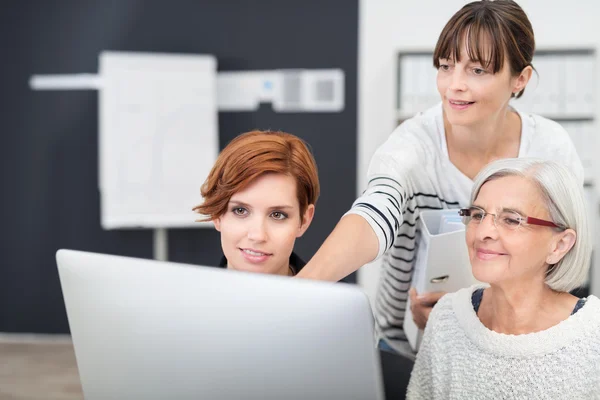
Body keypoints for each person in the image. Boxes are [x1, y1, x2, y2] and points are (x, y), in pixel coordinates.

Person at [296, 0, 584, 356]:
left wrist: (468, 309)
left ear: (519, 79)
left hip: (515, 343)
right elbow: (373, 214)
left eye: (478, 70)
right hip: (406, 345)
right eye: (446, 67)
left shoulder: (550, 148)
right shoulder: (413, 145)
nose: (455, 86)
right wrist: (298, 293)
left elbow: (566, 257)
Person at [406, 158, 600, 399]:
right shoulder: (446, 318)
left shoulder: (594, 334)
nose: (483, 232)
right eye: (477, 215)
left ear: (559, 245)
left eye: (511, 220)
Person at [193, 130, 319, 276]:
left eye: (277, 215)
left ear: (304, 221)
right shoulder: (186, 298)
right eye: (240, 211)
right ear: (217, 215)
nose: (258, 235)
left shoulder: (339, 298)